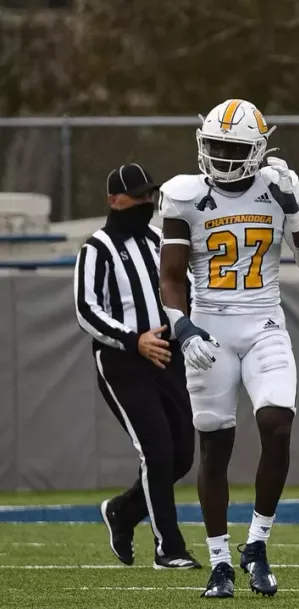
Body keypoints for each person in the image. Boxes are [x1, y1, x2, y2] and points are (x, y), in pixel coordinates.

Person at [157, 98, 299, 599]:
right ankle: (218, 563)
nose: (221, 156)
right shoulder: (183, 196)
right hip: (208, 328)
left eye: (233, 148)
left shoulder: (280, 189)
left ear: (257, 149)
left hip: (264, 324)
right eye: (214, 145)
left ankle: (256, 543)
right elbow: (170, 275)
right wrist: (182, 327)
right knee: (214, 446)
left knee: (277, 423)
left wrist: (294, 209)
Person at [74, 163, 199, 570]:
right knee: (157, 452)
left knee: (181, 456)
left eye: (150, 195)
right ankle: (169, 548)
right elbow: (86, 309)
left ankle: (122, 513)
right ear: (114, 200)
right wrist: (133, 339)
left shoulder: (158, 239)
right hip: (123, 360)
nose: (147, 202)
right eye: (139, 195)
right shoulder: (97, 247)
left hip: (167, 353)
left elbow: (184, 284)